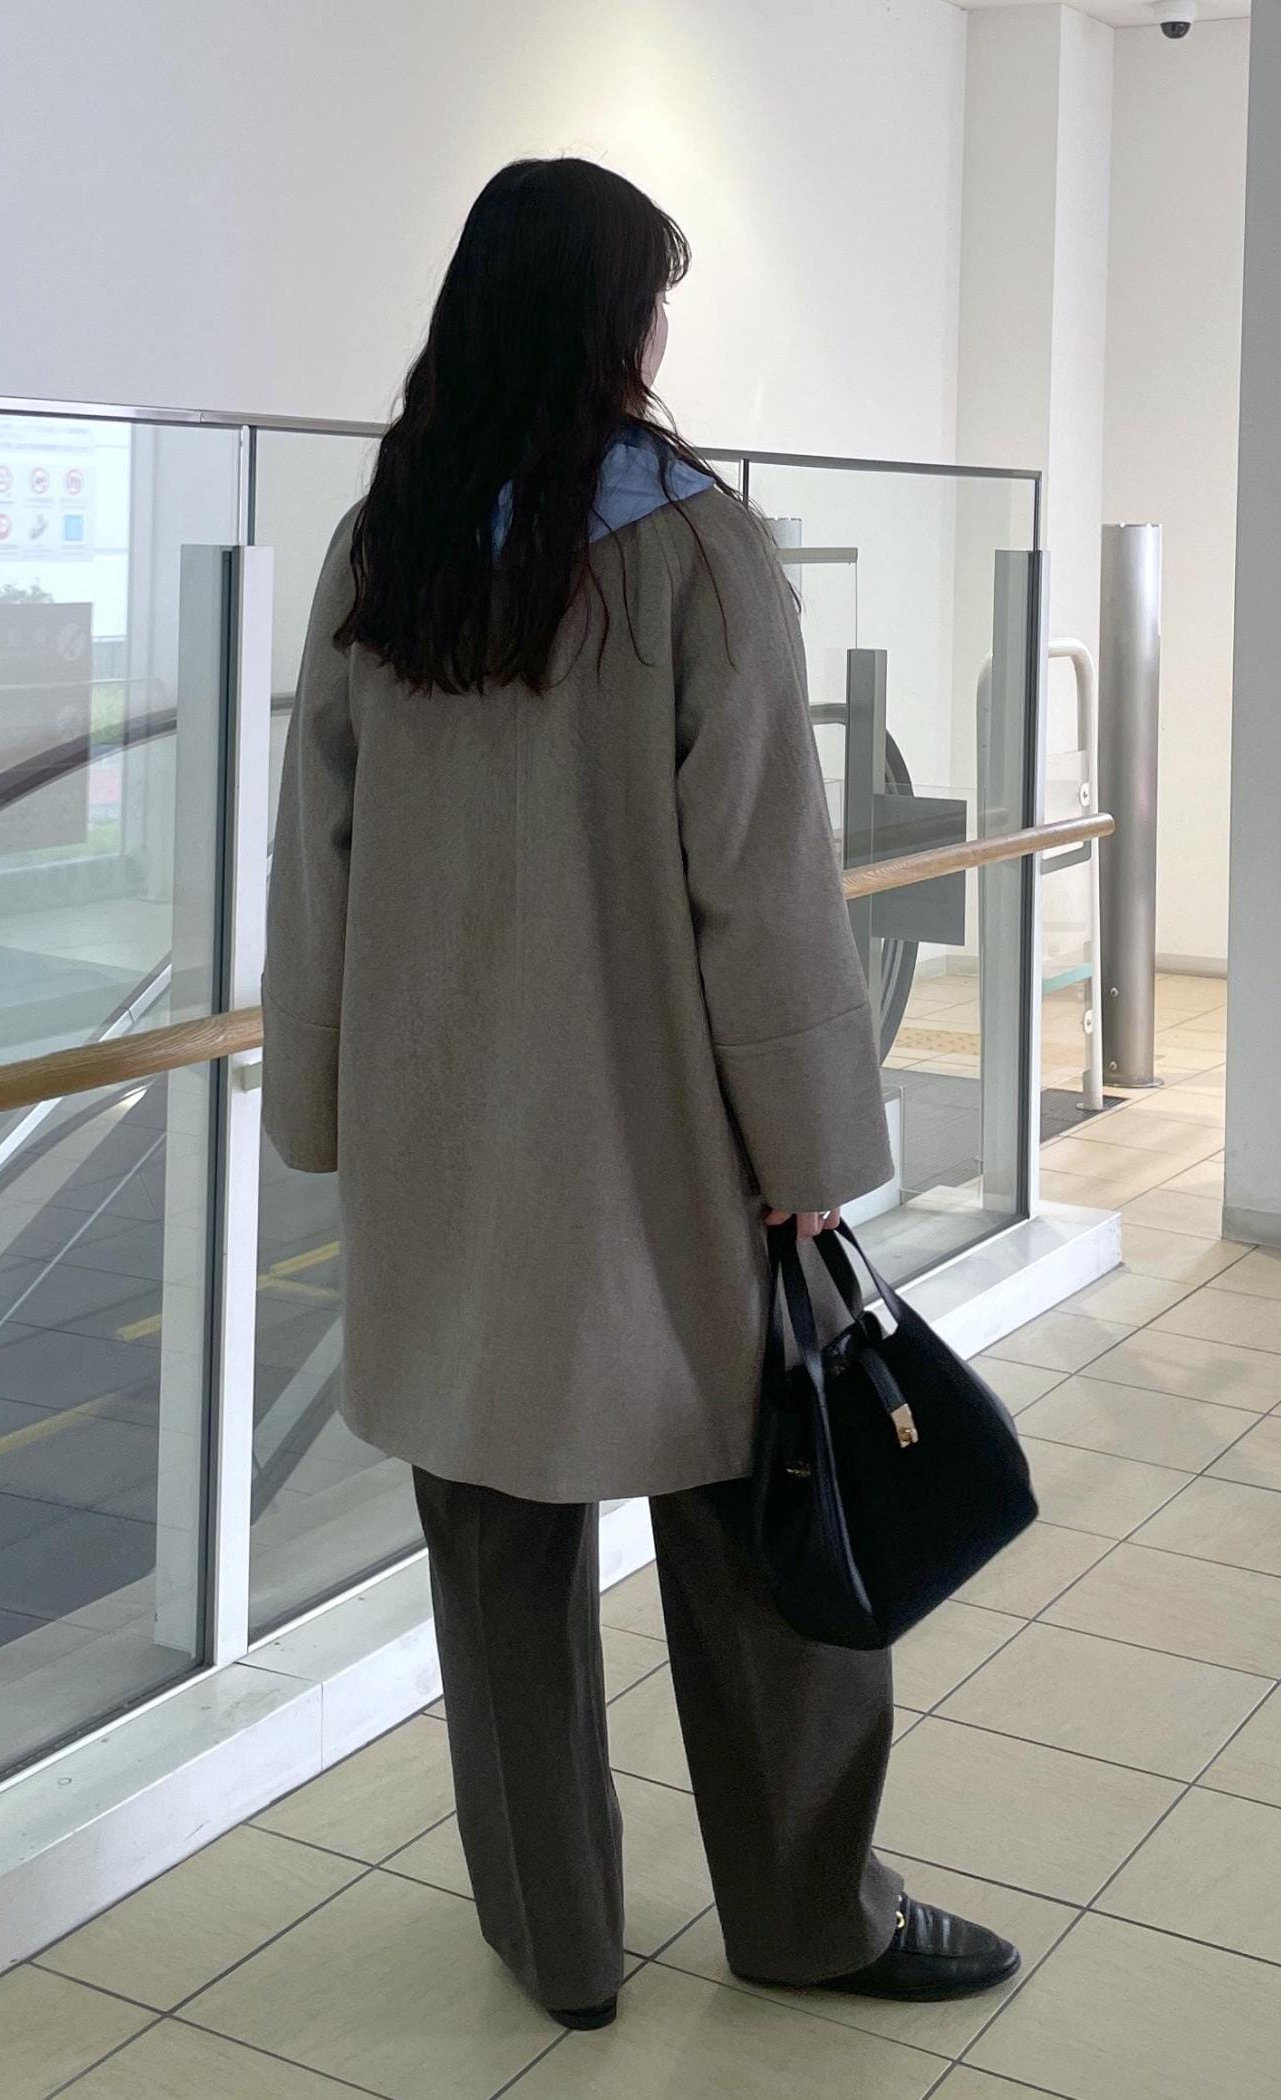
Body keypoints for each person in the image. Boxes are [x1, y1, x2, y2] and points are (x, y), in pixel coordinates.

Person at [262, 156, 1017, 2029]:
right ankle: (809, 1916)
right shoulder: (696, 552)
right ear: (612, 324)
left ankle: (559, 1947)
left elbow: (314, 863)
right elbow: (763, 890)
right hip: (666, 1160)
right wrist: (812, 1151)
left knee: (491, 1558)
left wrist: (323, 1109)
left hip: (446, 1155)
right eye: (653, 300)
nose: (664, 333)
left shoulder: (385, 549)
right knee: (766, 1533)